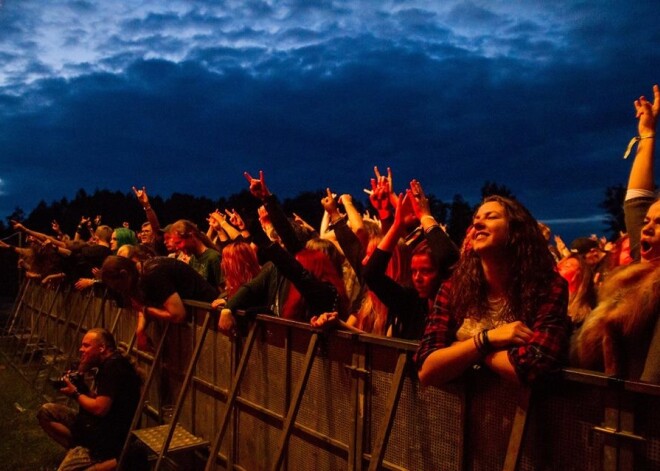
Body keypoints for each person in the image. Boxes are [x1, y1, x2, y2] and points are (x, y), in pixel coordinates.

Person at [415, 196, 569, 386]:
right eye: (476, 219)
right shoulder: (453, 287)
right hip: (455, 412)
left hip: (519, 413)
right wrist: (487, 340)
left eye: (491, 217)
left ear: (516, 230)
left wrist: (461, 350)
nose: (478, 223)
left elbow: (534, 368)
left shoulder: (548, 287)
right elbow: (427, 369)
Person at [574, 85, 660, 381]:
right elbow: (637, 201)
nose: (647, 226)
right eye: (648, 221)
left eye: (658, 223)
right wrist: (647, 135)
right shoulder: (645, 271)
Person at [37, 328, 142, 471]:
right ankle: (79, 449)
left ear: (102, 348)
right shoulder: (110, 363)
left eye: (86, 345)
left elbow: (100, 409)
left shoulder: (113, 368)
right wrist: (82, 388)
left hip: (109, 438)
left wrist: (75, 394)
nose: (81, 349)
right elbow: (100, 399)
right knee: (46, 412)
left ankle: (103, 461)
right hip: (97, 426)